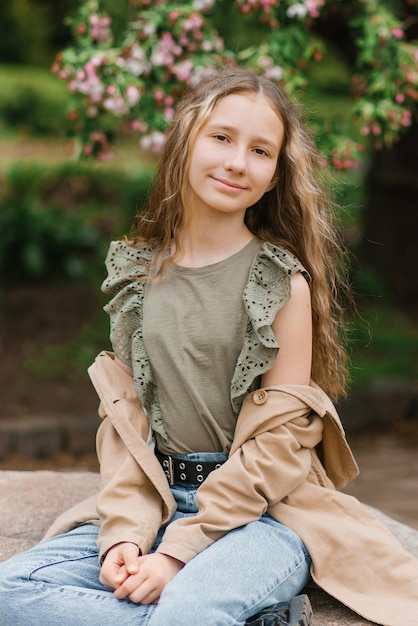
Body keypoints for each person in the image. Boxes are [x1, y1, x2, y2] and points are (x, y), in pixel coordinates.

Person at [0, 66, 418, 626]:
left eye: (261, 151)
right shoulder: (138, 275)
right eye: (221, 137)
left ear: (274, 177)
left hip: (263, 516)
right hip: (158, 497)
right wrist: (124, 534)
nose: (237, 162)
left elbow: (280, 449)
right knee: (12, 591)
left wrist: (177, 554)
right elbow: (128, 429)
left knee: (188, 612)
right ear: (185, 142)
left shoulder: (282, 285)